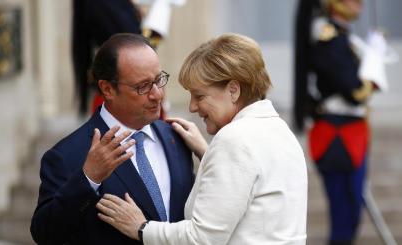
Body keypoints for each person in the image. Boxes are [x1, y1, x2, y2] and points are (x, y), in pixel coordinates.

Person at [96, 33, 308, 244]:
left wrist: (142, 229)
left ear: (233, 90)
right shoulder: (278, 130)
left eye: (199, 96)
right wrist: (207, 154)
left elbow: (202, 238)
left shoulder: (234, 140)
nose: (192, 107)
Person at [31, 33, 195, 244]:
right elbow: (45, 234)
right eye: (143, 86)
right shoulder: (67, 156)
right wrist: (88, 178)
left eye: (159, 80)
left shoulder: (176, 137)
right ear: (107, 89)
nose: (158, 95)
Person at [293, 0, 390, 244]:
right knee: (344, 215)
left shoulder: (344, 37)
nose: (359, 4)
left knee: (351, 213)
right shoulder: (329, 38)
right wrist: (374, 65)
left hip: (352, 133)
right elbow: (354, 91)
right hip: (337, 136)